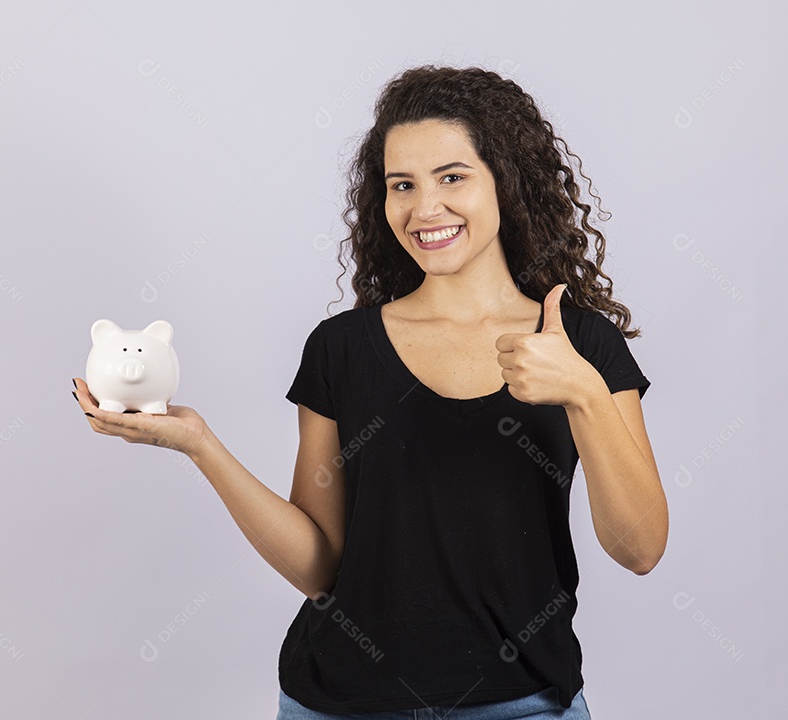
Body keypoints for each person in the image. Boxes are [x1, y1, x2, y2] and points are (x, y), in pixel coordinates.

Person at [72, 64, 667, 720]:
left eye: (452, 177)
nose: (424, 208)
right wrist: (199, 443)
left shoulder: (583, 345)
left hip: (524, 704)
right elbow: (318, 567)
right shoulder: (341, 349)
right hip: (338, 704)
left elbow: (639, 549)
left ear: (507, 181)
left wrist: (583, 392)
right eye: (401, 185)